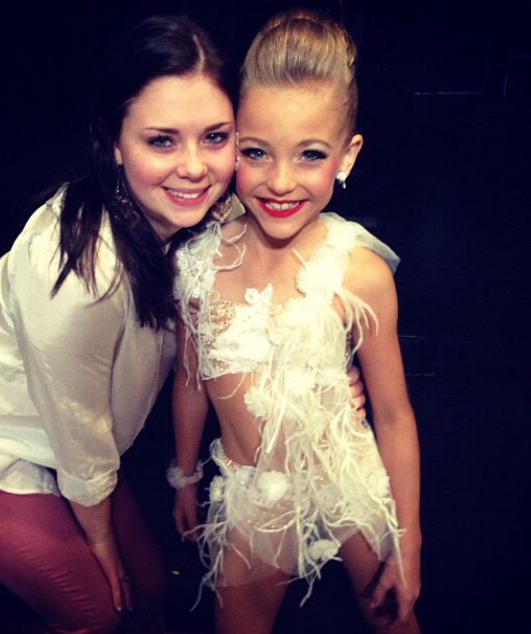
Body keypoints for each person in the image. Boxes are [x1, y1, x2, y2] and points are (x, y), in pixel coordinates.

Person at [0, 15, 238, 634]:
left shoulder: (203, 210)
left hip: (58, 435)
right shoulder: (81, 271)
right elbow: (77, 427)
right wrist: (98, 541)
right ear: (114, 142)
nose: (194, 167)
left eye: (215, 137)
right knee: (95, 611)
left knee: (149, 589)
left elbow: (282, 246)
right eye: (161, 141)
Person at [171, 9, 421, 634]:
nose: (280, 182)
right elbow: (191, 380)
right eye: (256, 152)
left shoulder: (360, 273)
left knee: (393, 619)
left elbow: (393, 414)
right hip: (252, 491)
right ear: (231, 145)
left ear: (347, 156)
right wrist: (184, 475)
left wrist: (409, 543)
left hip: (345, 474)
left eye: (310, 154)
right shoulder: (197, 267)